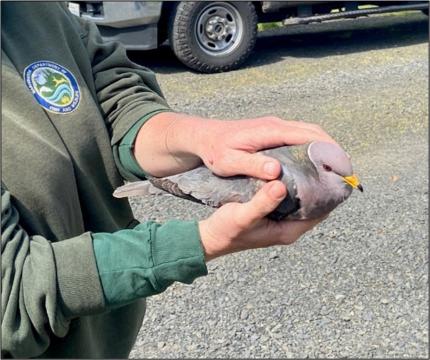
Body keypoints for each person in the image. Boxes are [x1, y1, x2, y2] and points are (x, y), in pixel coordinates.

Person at [1, 2, 335, 358]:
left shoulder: (33, 10)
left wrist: (204, 137)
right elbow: (14, 293)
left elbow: (111, 92)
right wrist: (202, 241)